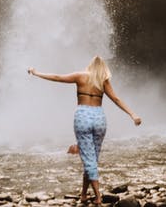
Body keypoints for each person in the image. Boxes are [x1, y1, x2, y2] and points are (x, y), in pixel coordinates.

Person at [28, 56, 141, 205]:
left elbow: (57, 77)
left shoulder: (80, 76)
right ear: (103, 68)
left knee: (89, 159)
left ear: (90, 65)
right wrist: (133, 114)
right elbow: (116, 99)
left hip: (83, 117)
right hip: (99, 118)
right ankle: (83, 194)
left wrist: (36, 73)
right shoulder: (103, 80)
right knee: (91, 158)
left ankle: (98, 197)